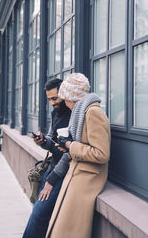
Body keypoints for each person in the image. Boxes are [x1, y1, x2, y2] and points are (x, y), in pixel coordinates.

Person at [46, 73, 111, 238]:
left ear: (73, 97)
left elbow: (102, 153)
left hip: (87, 178)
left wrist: (70, 145)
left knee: (68, 230)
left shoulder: (93, 113)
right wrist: (68, 147)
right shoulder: (81, 111)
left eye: (66, 98)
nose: (65, 103)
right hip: (77, 174)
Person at [23, 78, 71, 238]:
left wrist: (51, 180)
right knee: (38, 211)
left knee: (39, 211)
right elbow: (52, 141)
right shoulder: (55, 112)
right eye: (49, 99)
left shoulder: (74, 114)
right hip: (53, 169)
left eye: (55, 98)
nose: (52, 103)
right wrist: (43, 141)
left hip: (63, 174)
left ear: (64, 94)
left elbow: (70, 153)